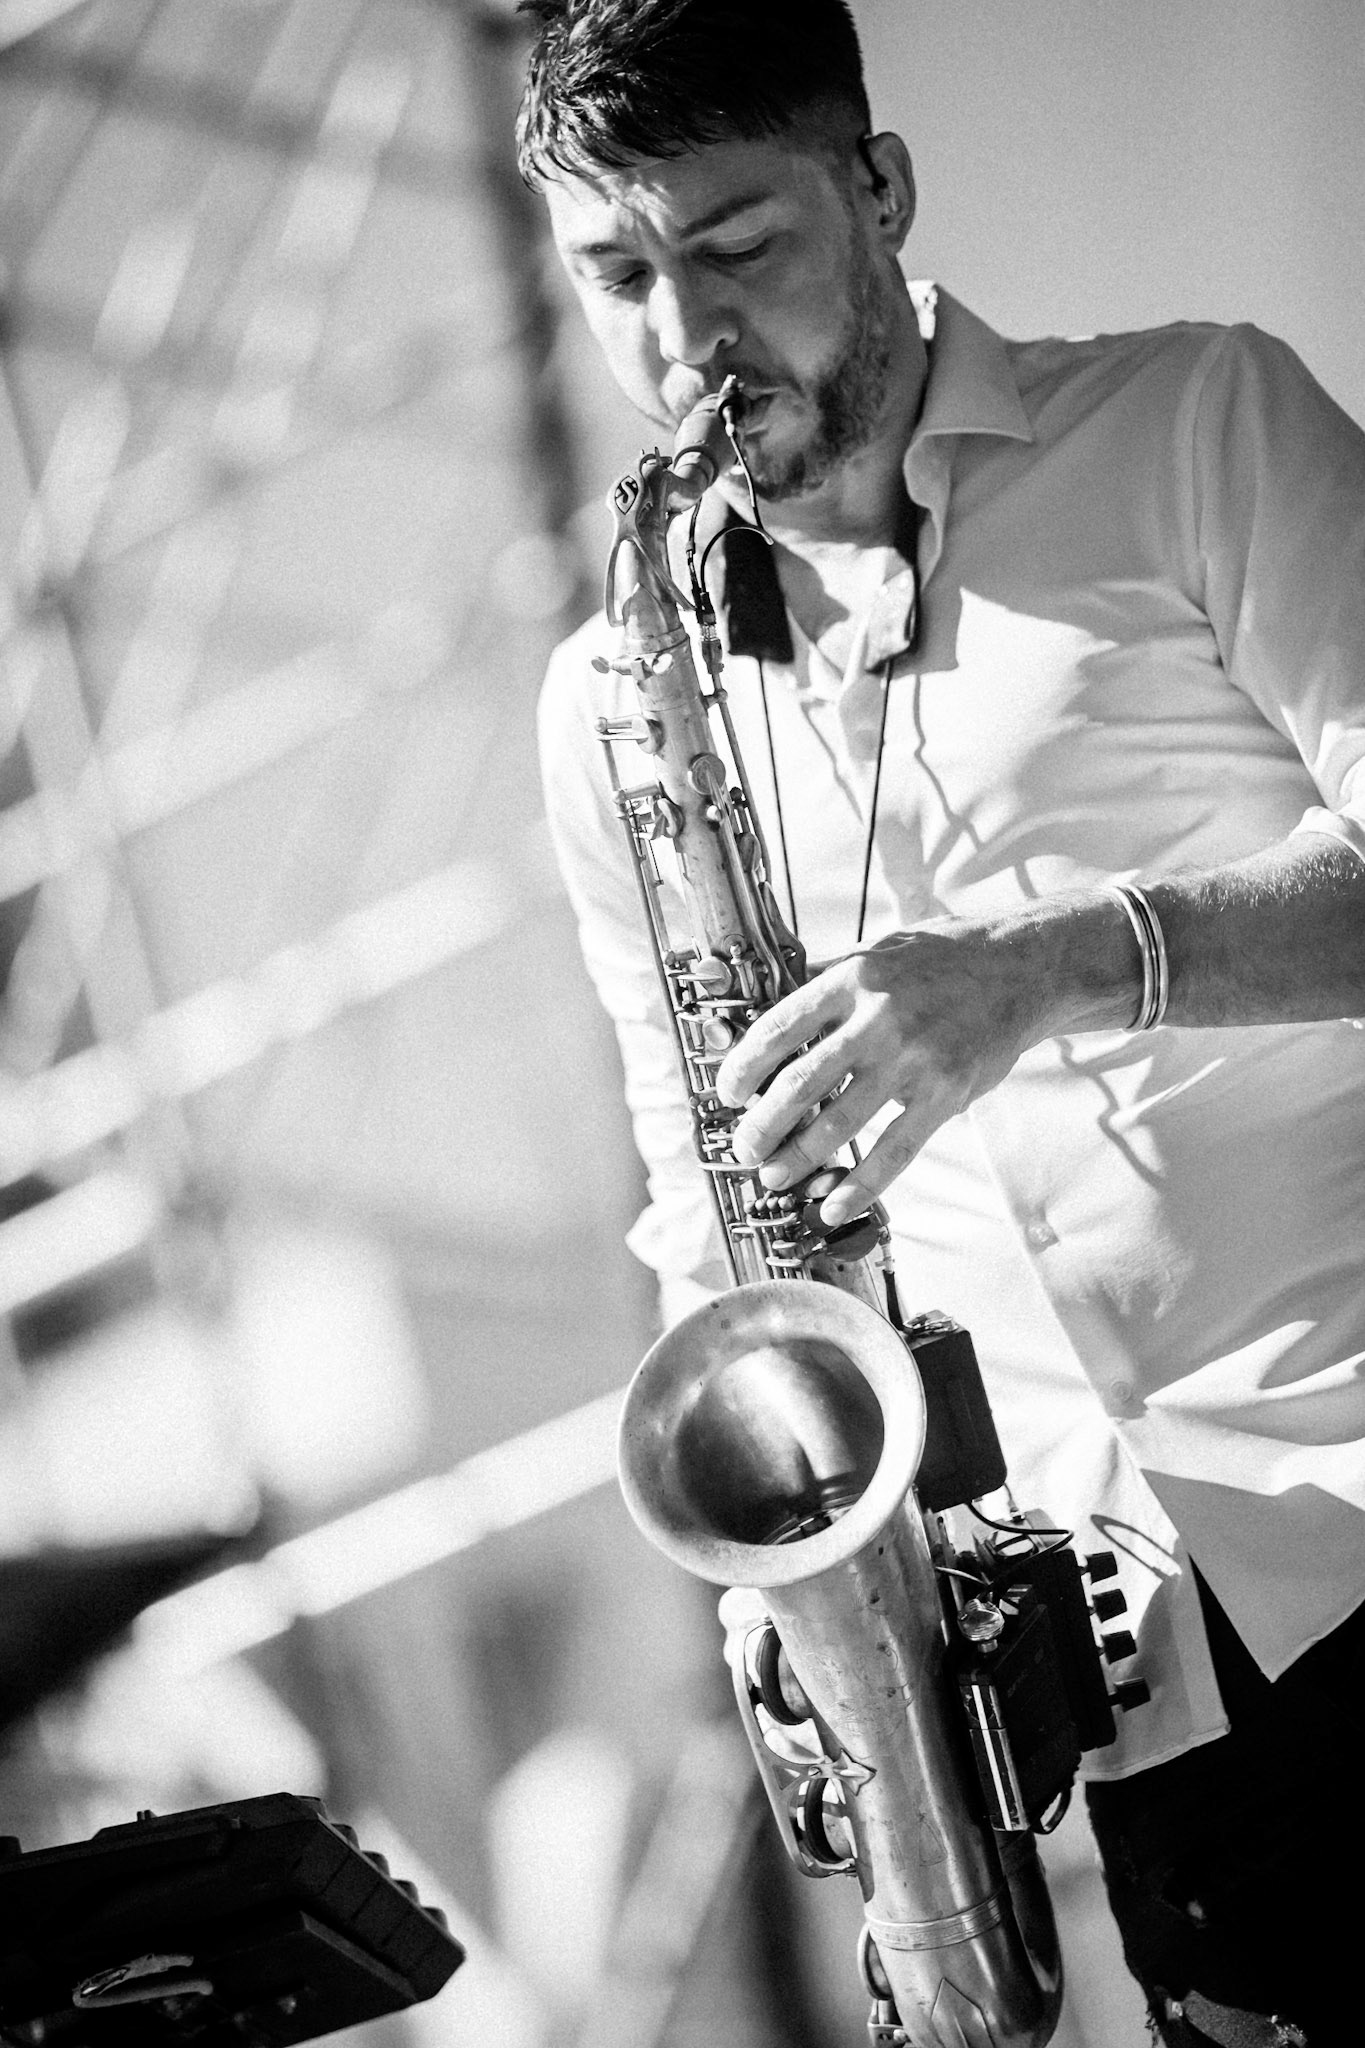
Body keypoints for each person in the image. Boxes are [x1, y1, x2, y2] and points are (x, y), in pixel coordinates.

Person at [518, 4, 1365, 2042]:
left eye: (733, 250)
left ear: (876, 190)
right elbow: (696, 1196)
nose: (673, 344)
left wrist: (1040, 967)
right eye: (613, 279)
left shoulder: (1192, 422)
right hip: (1134, 1673)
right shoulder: (609, 705)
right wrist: (774, 1592)